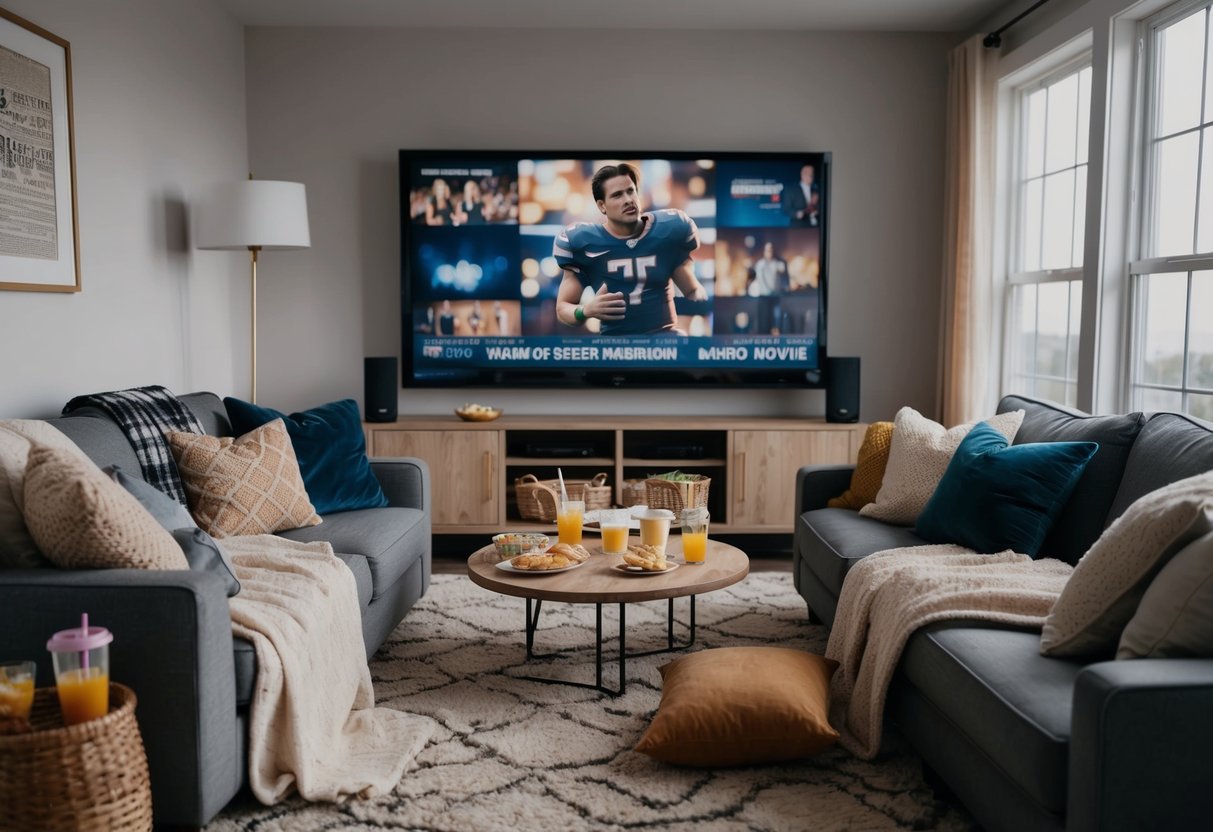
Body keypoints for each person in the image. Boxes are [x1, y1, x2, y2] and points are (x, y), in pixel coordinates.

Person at [553, 163, 707, 335]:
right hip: (617, 349)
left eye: (630, 191)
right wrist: (585, 311)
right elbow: (562, 308)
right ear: (602, 206)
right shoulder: (583, 242)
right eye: (617, 195)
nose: (628, 199)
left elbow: (691, 289)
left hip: (664, 343)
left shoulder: (670, 229)